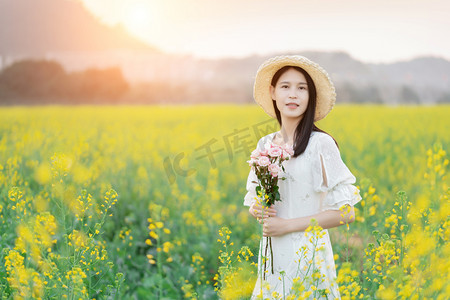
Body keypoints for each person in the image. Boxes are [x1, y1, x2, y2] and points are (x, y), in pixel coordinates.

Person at [244, 55, 362, 299]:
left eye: (302, 88)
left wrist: (287, 225)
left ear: (311, 97)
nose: (293, 95)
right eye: (285, 87)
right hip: (272, 256)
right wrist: (258, 209)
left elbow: (346, 213)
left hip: (309, 255)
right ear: (273, 92)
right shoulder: (264, 144)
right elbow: (255, 201)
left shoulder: (321, 144)